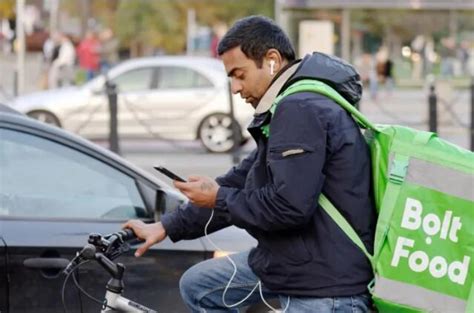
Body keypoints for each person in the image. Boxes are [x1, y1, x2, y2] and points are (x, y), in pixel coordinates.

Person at [124, 15, 375, 313]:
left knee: (201, 287)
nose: (234, 88)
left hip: (324, 285)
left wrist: (218, 197)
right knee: (199, 286)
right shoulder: (289, 104)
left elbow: (288, 207)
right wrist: (166, 226)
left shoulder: (300, 109)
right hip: (295, 263)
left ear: (271, 60)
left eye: (239, 75)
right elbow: (242, 179)